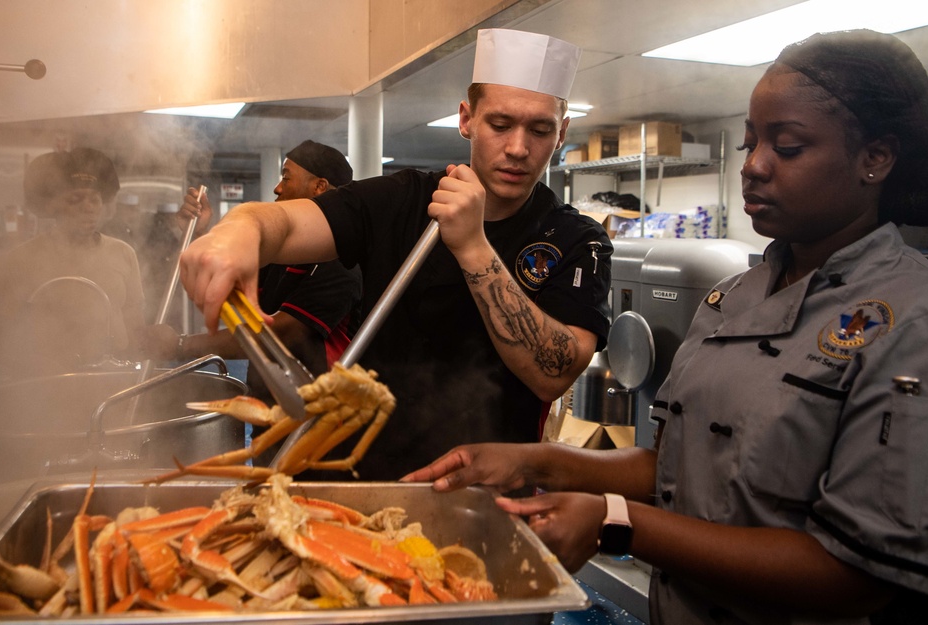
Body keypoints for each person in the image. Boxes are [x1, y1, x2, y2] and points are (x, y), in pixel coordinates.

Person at [403, 30, 928, 624]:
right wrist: (532, 463)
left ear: (875, 159)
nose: (754, 167)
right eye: (750, 143)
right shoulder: (733, 297)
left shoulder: (925, 320)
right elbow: (669, 467)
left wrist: (618, 523)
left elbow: (855, 576)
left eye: (789, 147)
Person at [177, 29, 614, 480]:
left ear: (561, 132)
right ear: (466, 119)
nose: (519, 148)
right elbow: (287, 224)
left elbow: (555, 371)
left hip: (486, 489)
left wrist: (472, 245)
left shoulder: (578, 240)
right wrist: (241, 228)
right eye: (499, 125)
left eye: (540, 130)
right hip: (365, 475)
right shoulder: (402, 198)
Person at [143, 139, 361, 383]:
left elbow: (285, 333)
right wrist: (198, 234)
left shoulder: (342, 260)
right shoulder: (286, 250)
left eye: (286, 178)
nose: (277, 188)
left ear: (319, 186)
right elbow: (230, 286)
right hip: (268, 399)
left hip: (318, 407)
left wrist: (182, 345)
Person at [0, 147, 146, 377]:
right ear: (52, 206)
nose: (88, 207)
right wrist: (37, 365)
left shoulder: (123, 253)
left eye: (94, 199)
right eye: (75, 199)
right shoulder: (19, 260)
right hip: (46, 384)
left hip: (113, 379)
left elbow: (135, 325)